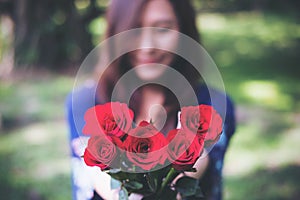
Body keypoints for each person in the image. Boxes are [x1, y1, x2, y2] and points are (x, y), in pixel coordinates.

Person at [65, 0, 236, 199]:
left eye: (163, 29)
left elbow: (195, 166)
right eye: (134, 30)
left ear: (184, 32)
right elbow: (104, 183)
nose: (148, 47)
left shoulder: (212, 104)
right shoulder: (86, 102)